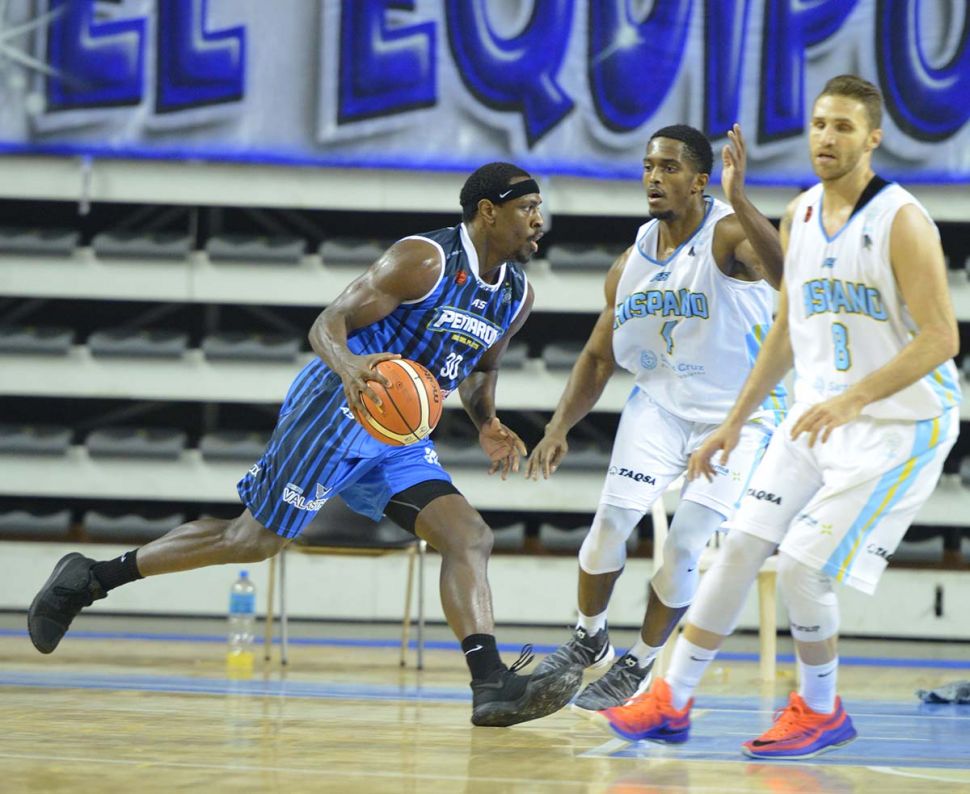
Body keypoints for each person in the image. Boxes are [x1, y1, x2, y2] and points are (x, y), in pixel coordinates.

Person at [27, 162, 583, 727]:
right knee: (252, 541)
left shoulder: (516, 294)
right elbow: (328, 323)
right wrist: (349, 366)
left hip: (399, 433)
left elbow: (481, 369)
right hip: (339, 406)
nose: (539, 220)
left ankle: (490, 685)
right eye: (527, 208)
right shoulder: (425, 259)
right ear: (488, 211)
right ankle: (91, 578)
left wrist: (487, 421)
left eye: (538, 209)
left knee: (469, 536)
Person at [599, 75, 960, 759]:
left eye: (843, 126)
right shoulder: (800, 215)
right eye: (819, 124)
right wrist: (734, 422)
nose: (827, 137)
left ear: (873, 138)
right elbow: (786, 330)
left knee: (800, 568)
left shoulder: (901, 221)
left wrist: (854, 398)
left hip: (898, 426)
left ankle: (821, 709)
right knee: (737, 548)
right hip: (812, 417)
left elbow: (942, 338)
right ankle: (671, 699)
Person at [525, 124, 786, 712]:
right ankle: (588, 637)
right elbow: (598, 356)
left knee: (686, 542)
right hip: (662, 407)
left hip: (738, 417)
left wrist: (742, 198)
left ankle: (638, 663)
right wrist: (558, 426)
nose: (653, 177)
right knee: (608, 525)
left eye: (669, 167)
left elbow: (786, 273)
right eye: (648, 166)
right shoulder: (630, 262)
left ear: (699, 181)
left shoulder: (729, 234)